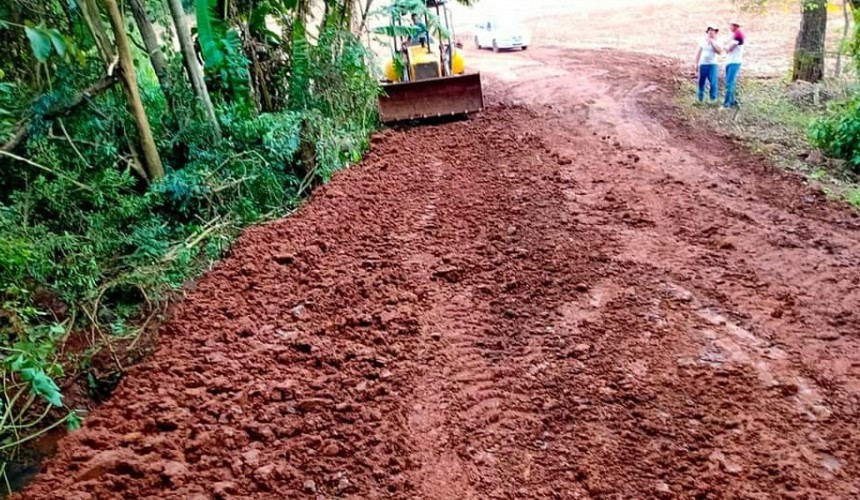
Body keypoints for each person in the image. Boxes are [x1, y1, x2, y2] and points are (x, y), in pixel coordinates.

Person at [694, 24, 723, 104]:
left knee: (713, 82)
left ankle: (713, 99)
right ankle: (700, 99)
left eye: (712, 30)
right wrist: (696, 63)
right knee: (701, 81)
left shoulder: (718, 41)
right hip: (703, 63)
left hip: (713, 64)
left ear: (715, 32)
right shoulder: (702, 41)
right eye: (709, 30)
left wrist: (712, 43)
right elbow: (698, 52)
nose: (710, 32)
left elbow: (719, 51)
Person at [723, 21, 745, 108]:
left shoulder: (738, 36)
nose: (729, 27)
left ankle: (727, 103)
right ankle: (732, 101)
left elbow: (729, 49)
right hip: (730, 61)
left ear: (735, 26)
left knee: (729, 82)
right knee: (730, 82)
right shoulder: (735, 35)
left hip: (734, 62)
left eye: (731, 25)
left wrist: (722, 46)